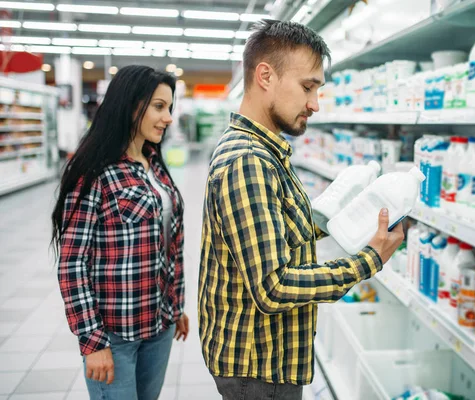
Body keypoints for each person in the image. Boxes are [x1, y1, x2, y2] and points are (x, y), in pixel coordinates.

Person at [198, 20, 405, 400]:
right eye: (307, 87)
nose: (314, 103)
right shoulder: (249, 161)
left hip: (261, 362)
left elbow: (279, 232)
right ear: (266, 76)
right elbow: (273, 287)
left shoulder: (264, 151)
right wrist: (368, 260)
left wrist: (339, 215)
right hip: (257, 370)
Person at [51, 65, 189, 400]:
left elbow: (167, 245)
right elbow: (72, 265)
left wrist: (176, 305)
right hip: (114, 335)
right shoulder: (93, 171)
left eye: (169, 108)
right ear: (129, 105)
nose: (168, 118)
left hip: (159, 326)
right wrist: (92, 341)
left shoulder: (154, 163)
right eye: (158, 107)